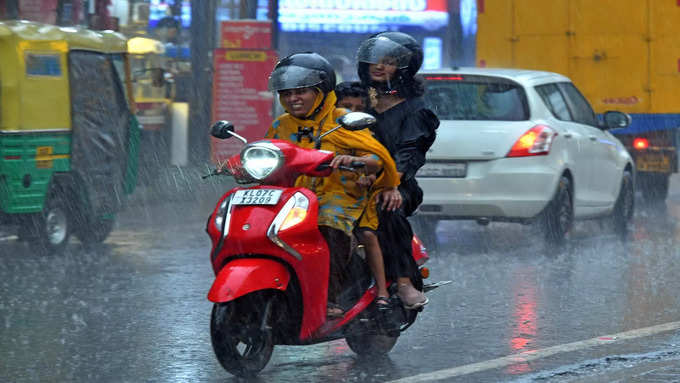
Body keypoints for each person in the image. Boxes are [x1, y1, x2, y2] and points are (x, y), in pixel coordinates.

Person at [265, 52, 399, 317]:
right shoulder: (281, 125)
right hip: (293, 196)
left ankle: (329, 296)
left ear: (321, 92)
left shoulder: (343, 119)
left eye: (301, 91)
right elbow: (266, 153)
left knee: (328, 223)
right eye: (287, 93)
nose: (293, 99)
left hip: (342, 194)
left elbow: (376, 158)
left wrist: (354, 160)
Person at [356, 31, 439, 309]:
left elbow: (409, 154)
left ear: (404, 68)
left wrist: (389, 183)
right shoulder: (356, 99)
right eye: (375, 60)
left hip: (398, 183)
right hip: (347, 179)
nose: (379, 66)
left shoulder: (416, 110)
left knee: (386, 208)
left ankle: (404, 282)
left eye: (389, 62)